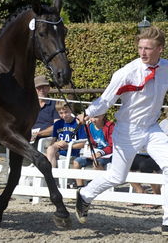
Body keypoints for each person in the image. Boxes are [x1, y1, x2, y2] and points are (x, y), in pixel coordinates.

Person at [75, 26, 168, 236]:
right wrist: (88, 113)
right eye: (140, 47)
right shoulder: (126, 73)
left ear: (160, 49)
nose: (143, 52)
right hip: (127, 130)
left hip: (152, 128)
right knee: (118, 177)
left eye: (148, 48)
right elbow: (106, 100)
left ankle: (167, 222)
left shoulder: (166, 68)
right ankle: (85, 195)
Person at [72, 114, 115, 188]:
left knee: (96, 163)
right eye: (91, 117)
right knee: (76, 162)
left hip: (107, 155)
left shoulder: (110, 126)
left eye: (96, 117)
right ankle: (80, 187)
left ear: (103, 116)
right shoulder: (89, 126)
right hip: (94, 153)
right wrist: (90, 145)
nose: (93, 120)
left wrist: (100, 153)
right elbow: (93, 141)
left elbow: (112, 146)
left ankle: (99, 187)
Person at [46, 101, 87, 168]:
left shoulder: (78, 123)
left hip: (73, 152)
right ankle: (51, 174)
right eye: (61, 113)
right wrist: (57, 143)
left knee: (49, 152)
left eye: (66, 112)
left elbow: (84, 143)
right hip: (59, 151)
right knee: (48, 151)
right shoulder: (57, 124)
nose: (64, 115)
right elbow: (53, 141)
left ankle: (51, 175)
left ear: (71, 110)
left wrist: (68, 146)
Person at [31, 75, 60, 148]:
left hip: (47, 139)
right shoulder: (29, 105)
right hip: (29, 137)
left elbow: (57, 126)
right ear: (34, 89)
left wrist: (38, 134)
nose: (42, 90)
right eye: (38, 87)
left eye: (44, 87)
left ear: (48, 88)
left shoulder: (54, 104)